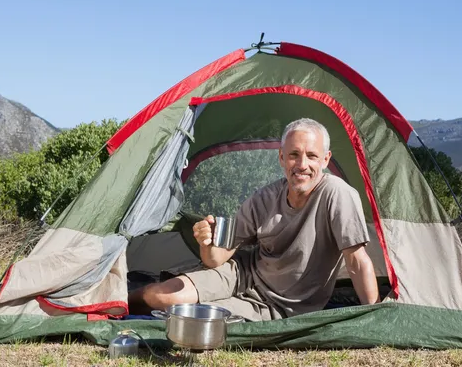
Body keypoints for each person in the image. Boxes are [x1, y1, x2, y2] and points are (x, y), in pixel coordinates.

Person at [128, 118, 380, 320]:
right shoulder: (265, 198)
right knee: (162, 296)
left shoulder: (337, 194)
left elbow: (357, 261)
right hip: (242, 272)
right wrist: (206, 243)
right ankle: (111, 303)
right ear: (281, 158)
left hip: (277, 306)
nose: (302, 164)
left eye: (312, 156)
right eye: (294, 155)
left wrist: (374, 315)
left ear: (325, 160)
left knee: (194, 316)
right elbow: (215, 259)